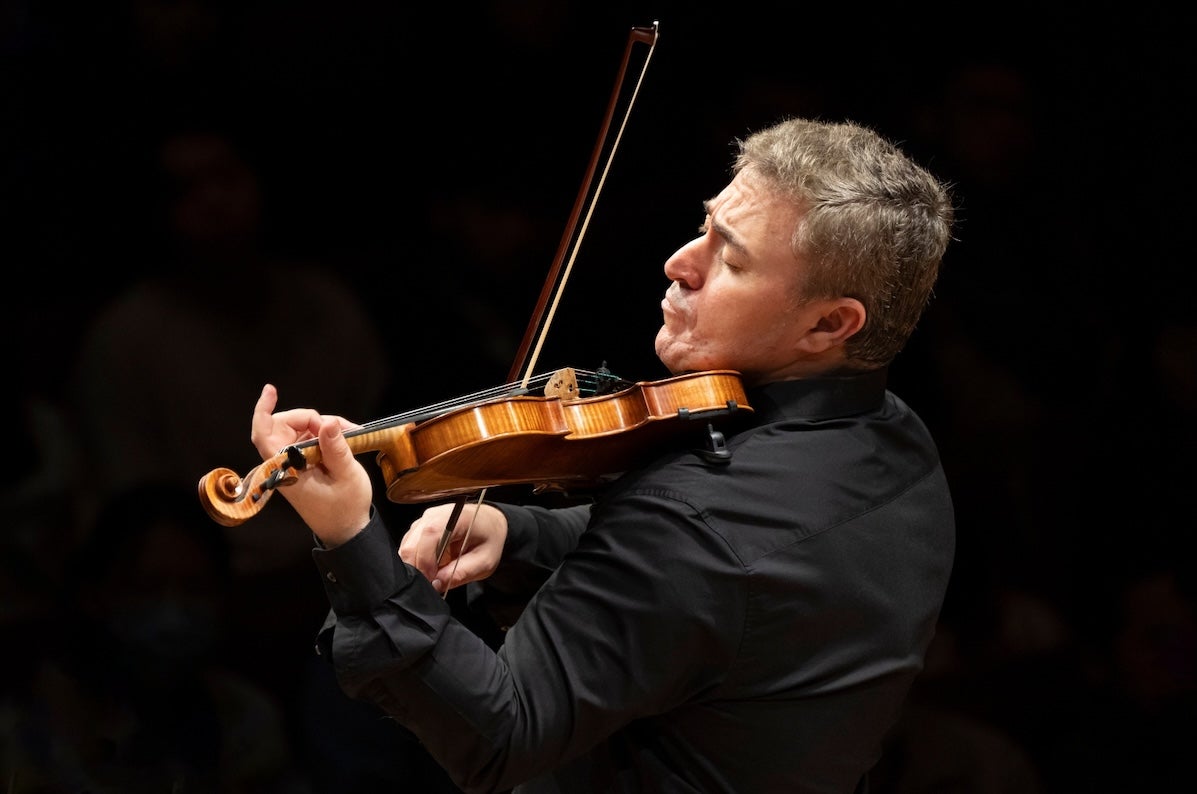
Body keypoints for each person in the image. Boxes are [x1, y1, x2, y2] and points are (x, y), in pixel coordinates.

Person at [243, 116, 957, 793]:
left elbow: (499, 734)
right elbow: (716, 602)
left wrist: (349, 537)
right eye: (702, 227)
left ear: (828, 323)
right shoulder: (900, 444)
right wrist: (518, 533)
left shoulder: (692, 524)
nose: (680, 264)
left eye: (730, 258)